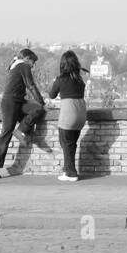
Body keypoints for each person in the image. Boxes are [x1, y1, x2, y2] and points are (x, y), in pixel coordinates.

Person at [0, 48, 46, 178]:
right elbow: (31, 85)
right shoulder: (23, 65)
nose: (33, 65)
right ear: (27, 58)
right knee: (7, 132)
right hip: (10, 103)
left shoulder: (16, 65)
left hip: (18, 102)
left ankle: (21, 131)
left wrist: (39, 104)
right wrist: (41, 101)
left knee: (37, 109)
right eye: (33, 62)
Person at [49, 50, 88, 182]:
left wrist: (56, 81)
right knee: (71, 143)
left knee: (65, 142)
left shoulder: (61, 79)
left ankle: (71, 173)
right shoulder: (80, 80)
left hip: (69, 114)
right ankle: (68, 169)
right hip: (81, 114)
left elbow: (51, 94)